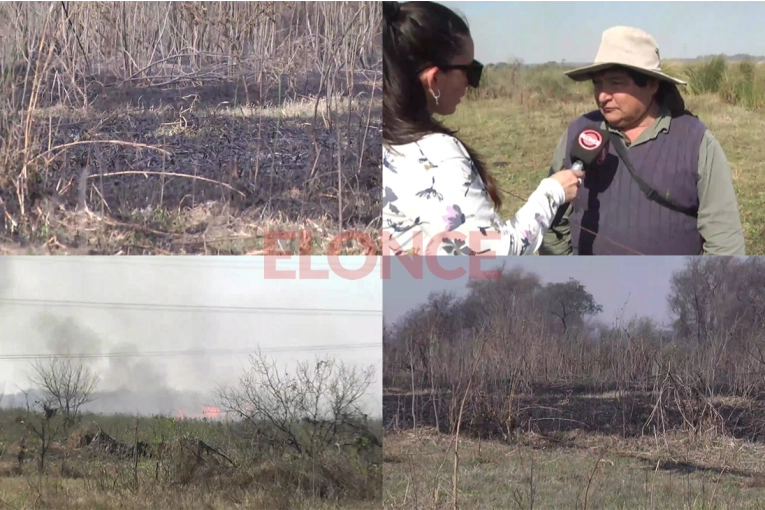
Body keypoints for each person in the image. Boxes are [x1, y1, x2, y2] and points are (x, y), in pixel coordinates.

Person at [382, 0, 584, 256]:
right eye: (470, 71)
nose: (472, 83)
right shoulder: (435, 153)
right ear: (434, 79)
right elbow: (492, 253)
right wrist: (552, 192)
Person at [539, 26, 746, 256]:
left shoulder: (696, 142)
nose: (602, 95)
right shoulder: (578, 133)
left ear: (651, 84)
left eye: (616, 83)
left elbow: (725, 245)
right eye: (597, 83)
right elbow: (551, 221)